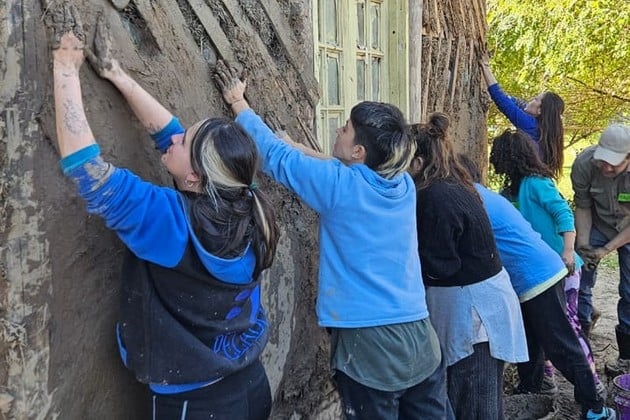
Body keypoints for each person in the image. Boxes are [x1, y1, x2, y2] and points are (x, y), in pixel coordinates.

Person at [52, 12, 278, 420]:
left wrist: (65, 68)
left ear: (194, 178)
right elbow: (170, 133)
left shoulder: (173, 224)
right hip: (250, 385)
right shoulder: (246, 203)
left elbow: (88, 169)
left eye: (184, 141)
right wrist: (118, 75)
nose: (174, 136)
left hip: (198, 405)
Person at [214, 61, 453, 420]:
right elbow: (345, 172)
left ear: (359, 152)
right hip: (420, 340)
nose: (339, 130)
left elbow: (273, 156)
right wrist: (303, 148)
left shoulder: (338, 188)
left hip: (370, 348)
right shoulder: (402, 185)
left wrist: (238, 104)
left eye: (346, 129)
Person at [461, 153, 613, 419]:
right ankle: (530, 390)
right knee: (531, 341)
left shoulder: (473, 200)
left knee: (560, 344)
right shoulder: (483, 196)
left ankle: (595, 406)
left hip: (539, 277)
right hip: (530, 277)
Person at [408, 113, 528, 420]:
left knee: (474, 403)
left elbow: (441, 265)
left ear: (418, 163)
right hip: (478, 305)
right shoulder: (450, 183)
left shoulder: (435, 196)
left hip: (474, 315)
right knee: (476, 399)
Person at [490, 129, 606, 396]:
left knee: (568, 326)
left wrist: (568, 251)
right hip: (537, 272)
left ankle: (592, 382)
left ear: (510, 157)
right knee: (541, 327)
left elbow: (563, 213)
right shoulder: (509, 191)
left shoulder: (536, 183)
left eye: (498, 157)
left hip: (562, 266)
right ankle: (546, 379)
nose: (494, 163)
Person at [571, 123, 630, 377]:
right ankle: (581, 344)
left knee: (629, 291)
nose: (606, 168)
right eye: (603, 160)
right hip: (598, 224)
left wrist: (606, 249)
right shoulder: (584, 164)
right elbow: (583, 206)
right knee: (580, 281)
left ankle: (626, 357)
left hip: (627, 228)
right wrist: (584, 247)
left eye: (613, 164)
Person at [480, 54, 565, 178]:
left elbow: (502, 101)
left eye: (535, 99)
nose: (531, 100)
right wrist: (510, 99)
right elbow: (517, 103)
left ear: (540, 111)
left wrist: (485, 67)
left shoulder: (530, 125)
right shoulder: (544, 129)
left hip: (525, 178)